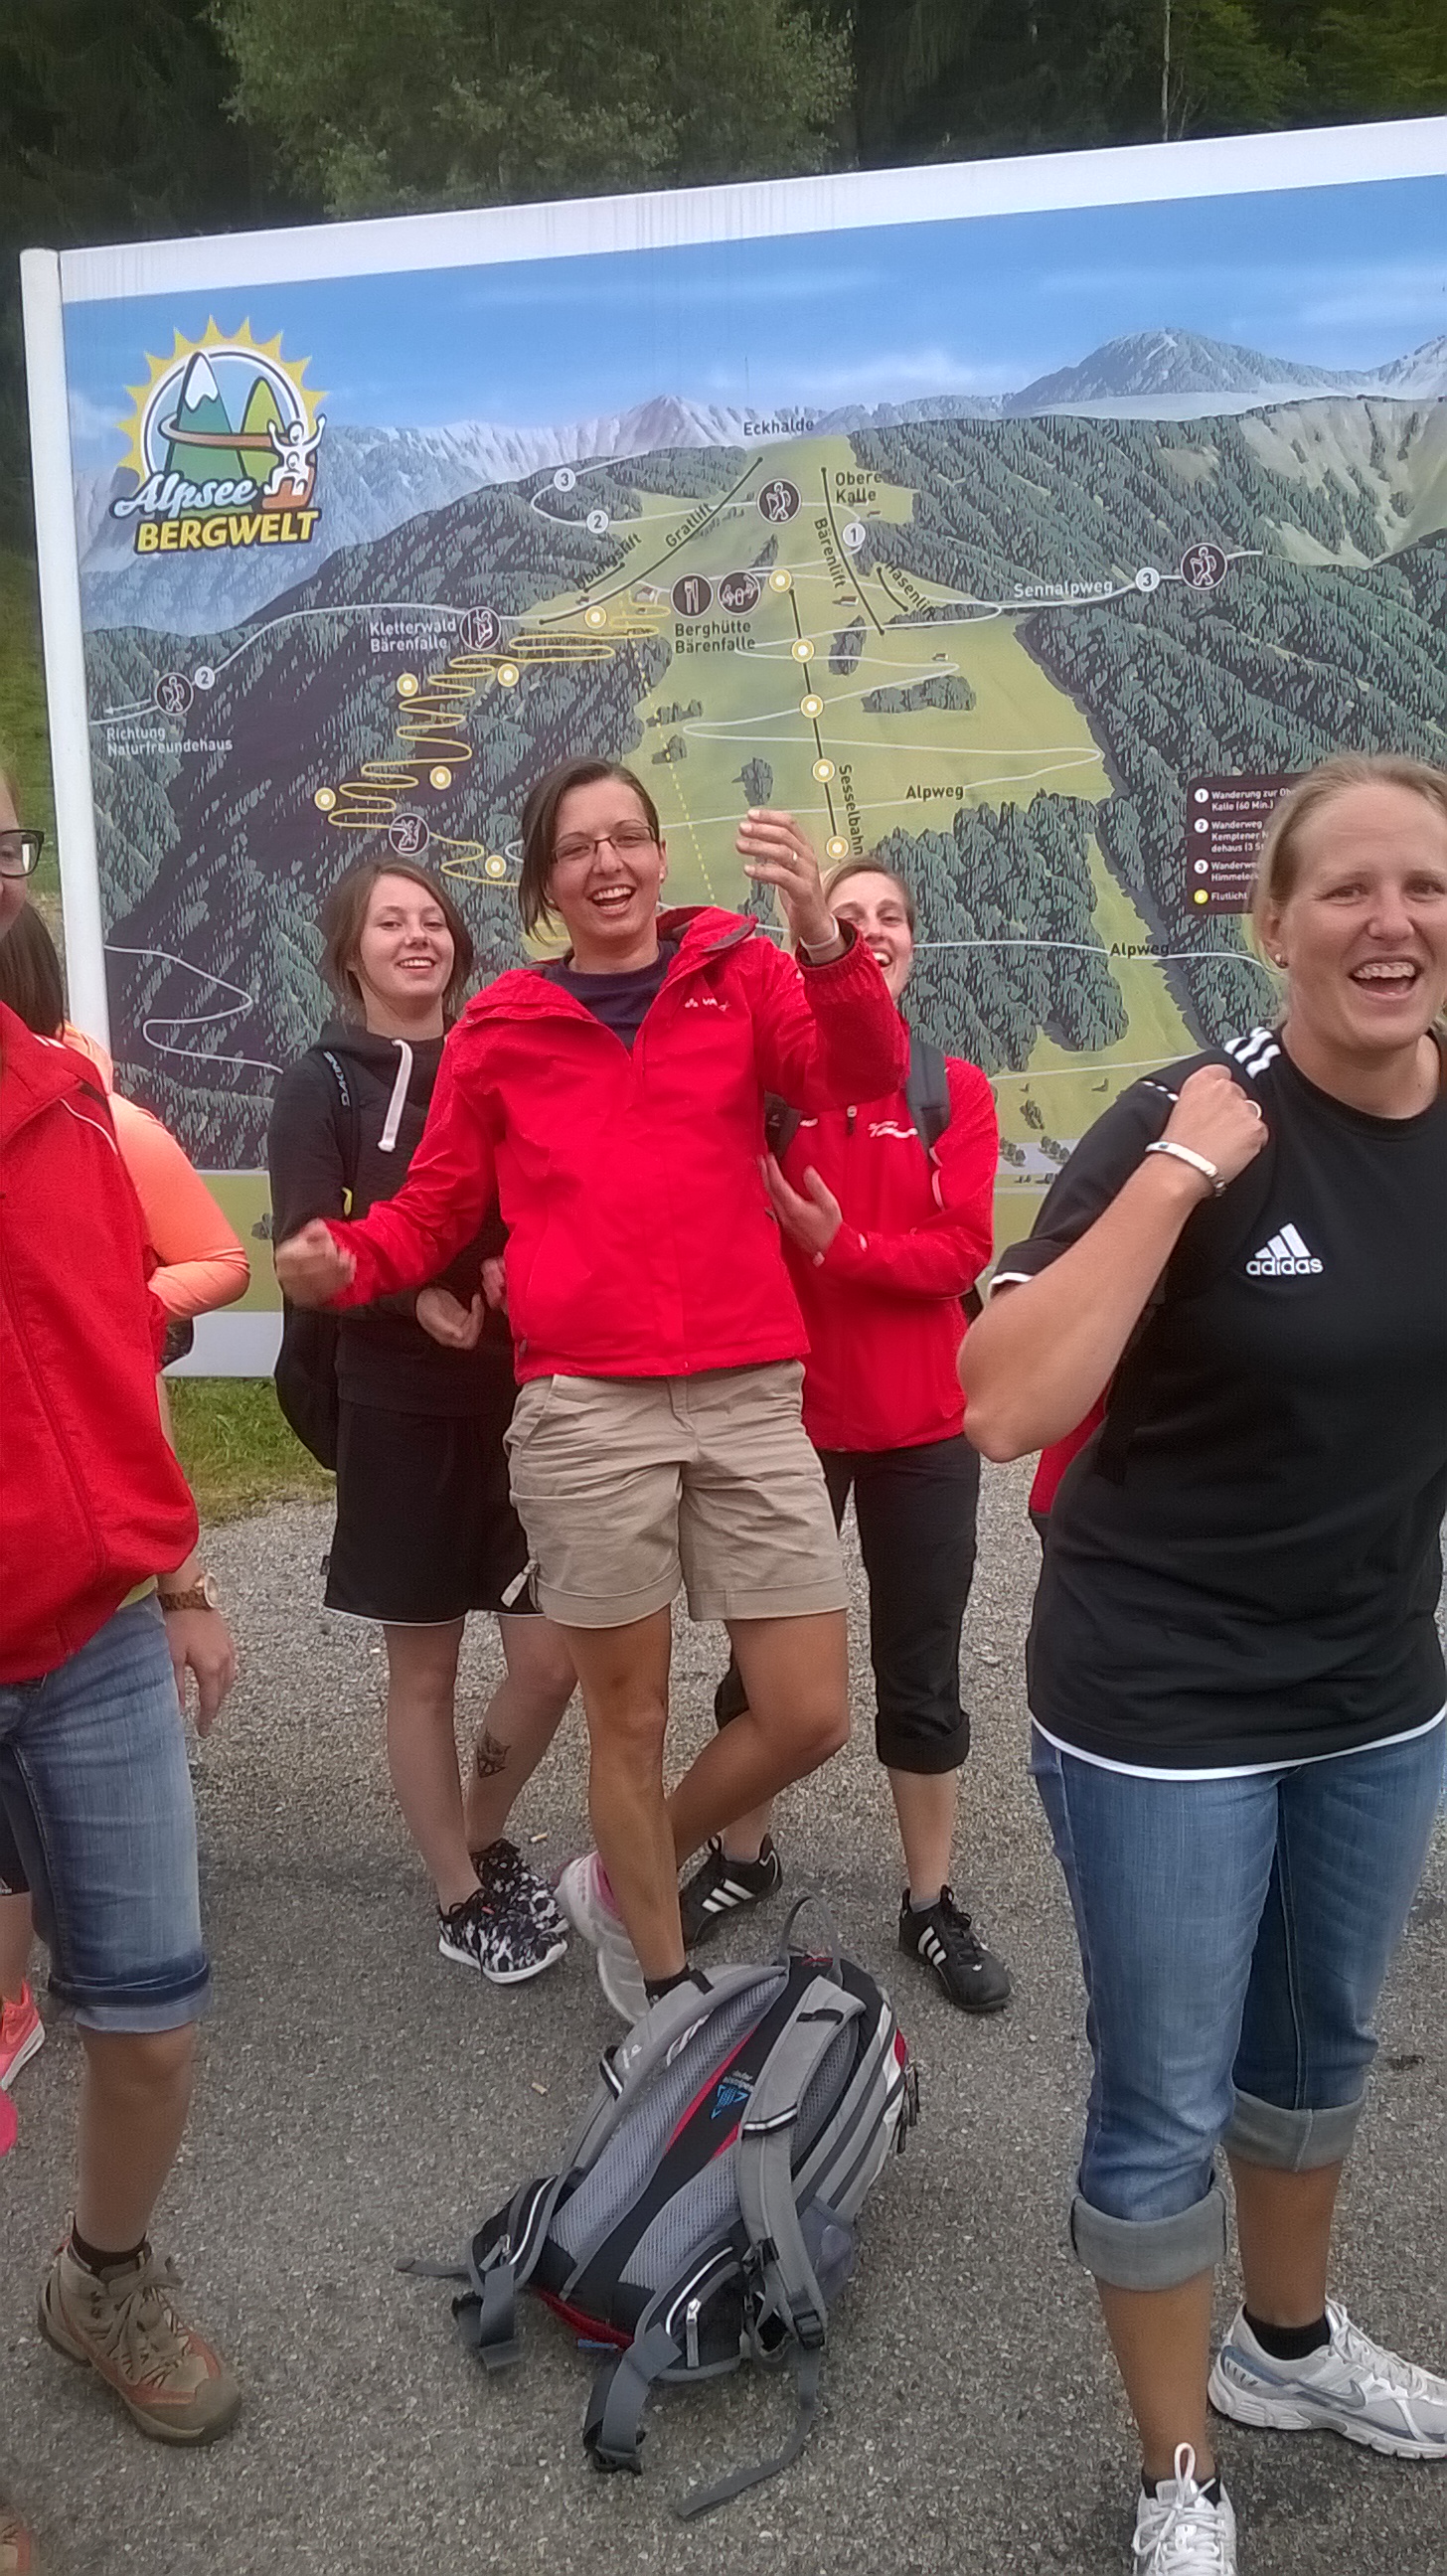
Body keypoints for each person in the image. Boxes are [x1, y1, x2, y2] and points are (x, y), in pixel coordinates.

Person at [962, 752, 1447, 2576]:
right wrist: (1176, 1176)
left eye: (1426, 887)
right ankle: (1180, 2469)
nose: (1391, 922)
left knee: (1318, 2049)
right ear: (1274, 924)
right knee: (1164, 2094)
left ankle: (1286, 2351)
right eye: (1348, 890)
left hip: (1375, 1689)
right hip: (1162, 1703)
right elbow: (1002, 1404)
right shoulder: (1187, 1110)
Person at [276, 760, 907, 2020]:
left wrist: (819, 935)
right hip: (585, 1405)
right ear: (545, 886)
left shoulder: (741, 970)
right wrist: (351, 1258)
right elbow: (437, 1208)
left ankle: (626, 1876)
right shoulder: (503, 1025)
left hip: (744, 1385)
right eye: (576, 849)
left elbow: (851, 1072)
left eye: (627, 838)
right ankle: (663, 1987)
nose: (607, 863)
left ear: (661, 859)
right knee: (629, 1717)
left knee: (808, 1713)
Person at [0, 768, 242, 2444]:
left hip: (89, 1641)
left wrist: (186, 1577)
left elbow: (105, 1371)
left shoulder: (68, 1106)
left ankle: (104, 2274)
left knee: (151, 2027)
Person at [681, 854, 1011, 2011]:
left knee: (919, 1664)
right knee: (758, 1666)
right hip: (785, 1421)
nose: (869, 931)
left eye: (889, 916)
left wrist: (840, 1248)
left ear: (913, 942)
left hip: (925, 1423)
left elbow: (961, 1251)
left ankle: (929, 1902)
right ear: (805, 944)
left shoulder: (949, 1090)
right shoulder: (773, 1092)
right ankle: (741, 1857)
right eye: (846, 916)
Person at [267, 859, 577, 1984]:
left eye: (432, 920)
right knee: (428, 1673)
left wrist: (510, 1270)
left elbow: (543, 1202)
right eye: (389, 922)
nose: (417, 936)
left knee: (551, 1660)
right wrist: (414, 1299)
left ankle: (480, 1834)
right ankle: (457, 1891)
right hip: (394, 1405)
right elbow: (308, 1250)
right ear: (350, 954)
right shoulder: (321, 1084)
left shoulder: (497, 1059)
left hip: (519, 1397)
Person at [0, 906, 251, 2089]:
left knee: (146, 2011)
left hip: (80, 1619)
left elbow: (218, 1262)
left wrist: (129, 1315)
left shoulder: (86, 1119)